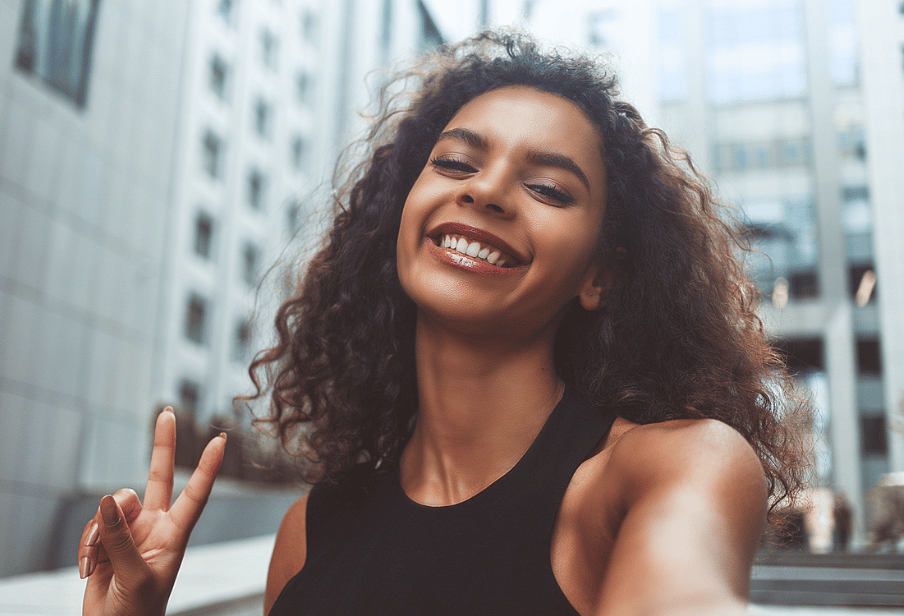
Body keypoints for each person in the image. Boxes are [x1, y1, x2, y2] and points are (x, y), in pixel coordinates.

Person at [77, 32, 808, 615]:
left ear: (600, 275)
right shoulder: (308, 533)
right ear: (401, 215)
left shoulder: (675, 467)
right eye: (456, 163)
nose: (486, 191)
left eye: (548, 187)